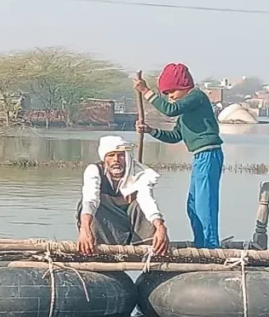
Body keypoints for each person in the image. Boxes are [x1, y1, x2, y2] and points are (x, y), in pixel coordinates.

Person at [134, 63, 224, 249]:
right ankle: (201, 244)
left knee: (205, 205)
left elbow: (169, 110)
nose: (170, 97)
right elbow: (175, 136)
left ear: (184, 87)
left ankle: (211, 247)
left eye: (171, 92)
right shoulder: (185, 113)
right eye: (166, 94)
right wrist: (150, 130)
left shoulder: (196, 97)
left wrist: (146, 91)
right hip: (199, 157)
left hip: (209, 154)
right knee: (192, 206)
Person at [76, 135, 169, 256]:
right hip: (109, 227)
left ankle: (151, 251)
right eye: (111, 155)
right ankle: (96, 249)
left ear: (127, 157)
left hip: (129, 226)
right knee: (90, 205)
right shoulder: (94, 170)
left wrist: (160, 226)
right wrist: (84, 229)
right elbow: (90, 200)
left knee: (139, 205)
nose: (116, 159)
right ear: (104, 159)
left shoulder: (140, 174)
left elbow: (147, 201)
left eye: (121, 155)